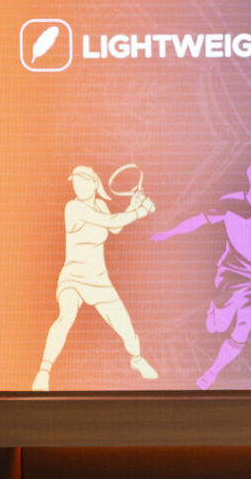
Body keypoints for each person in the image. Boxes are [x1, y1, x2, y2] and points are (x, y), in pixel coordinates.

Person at [152, 159, 251, 389]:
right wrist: (168, 234)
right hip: (231, 274)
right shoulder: (230, 201)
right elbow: (198, 221)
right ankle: (218, 312)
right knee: (217, 327)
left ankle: (212, 373)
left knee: (246, 321)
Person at [31, 165, 158, 391]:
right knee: (66, 316)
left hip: (99, 280)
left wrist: (133, 205)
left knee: (126, 327)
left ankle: (137, 360)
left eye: (83, 181)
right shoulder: (72, 208)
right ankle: (43, 372)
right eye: (75, 181)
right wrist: (141, 211)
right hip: (72, 277)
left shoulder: (101, 205)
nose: (78, 185)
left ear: (94, 184)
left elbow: (115, 227)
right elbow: (111, 222)